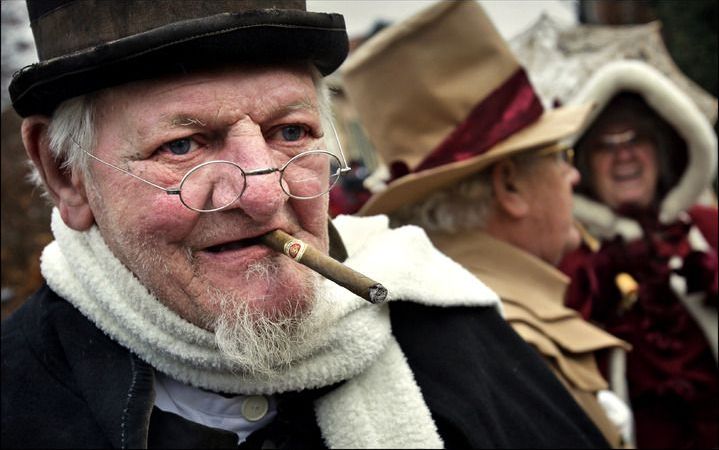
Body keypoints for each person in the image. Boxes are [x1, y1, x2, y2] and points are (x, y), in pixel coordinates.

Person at [1, 1, 611, 448]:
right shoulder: (20, 401)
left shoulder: (449, 326)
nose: (265, 195)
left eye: (290, 133)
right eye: (184, 146)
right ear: (66, 174)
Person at [342, 1, 631, 448]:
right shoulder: (503, 336)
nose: (573, 175)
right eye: (560, 157)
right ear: (510, 185)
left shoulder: (464, 314)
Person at [557, 60, 718, 449]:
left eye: (635, 140)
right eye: (605, 146)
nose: (623, 155)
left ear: (661, 149)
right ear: (583, 166)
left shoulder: (709, 229)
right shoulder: (570, 257)